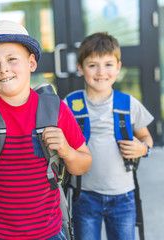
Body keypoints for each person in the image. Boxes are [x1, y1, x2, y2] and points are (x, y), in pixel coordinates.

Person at [0, 20, 92, 240]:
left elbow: (84, 163)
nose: (3, 68)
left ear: (31, 63)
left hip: (48, 233)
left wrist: (66, 151)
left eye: (12, 59)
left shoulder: (56, 110)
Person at [64, 32, 154, 240]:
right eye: (92, 65)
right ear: (80, 68)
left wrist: (143, 149)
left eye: (108, 64)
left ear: (118, 67)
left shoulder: (128, 104)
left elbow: (146, 138)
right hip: (83, 195)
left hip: (123, 197)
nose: (101, 71)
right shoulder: (69, 104)